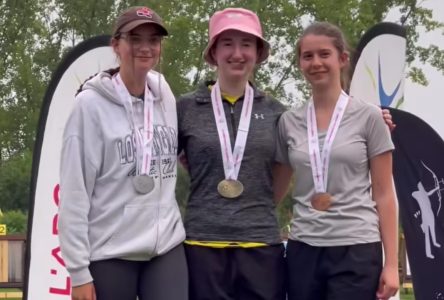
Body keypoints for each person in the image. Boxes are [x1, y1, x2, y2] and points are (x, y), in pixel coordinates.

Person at [58, 6, 187, 300]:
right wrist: (78, 273)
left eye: (153, 39)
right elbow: (75, 193)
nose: (145, 47)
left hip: (164, 247)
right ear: (116, 44)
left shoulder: (164, 94)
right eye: (134, 38)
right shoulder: (89, 106)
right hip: (110, 252)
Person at [275, 21, 399, 300]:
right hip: (303, 248)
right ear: (299, 63)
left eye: (324, 54)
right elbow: (276, 189)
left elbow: (384, 193)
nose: (315, 62)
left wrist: (392, 265)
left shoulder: (370, 117)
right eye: (307, 56)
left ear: (342, 59)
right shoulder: (289, 121)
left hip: (356, 248)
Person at [177, 7, 287, 300]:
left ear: (258, 52)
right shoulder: (185, 108)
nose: (237, 53)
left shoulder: (276, 112)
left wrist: (376, 118)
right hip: (202, 245)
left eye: (246, 44)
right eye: (227, 43)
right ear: (213, 52)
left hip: (261, 245)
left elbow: (288, 168)